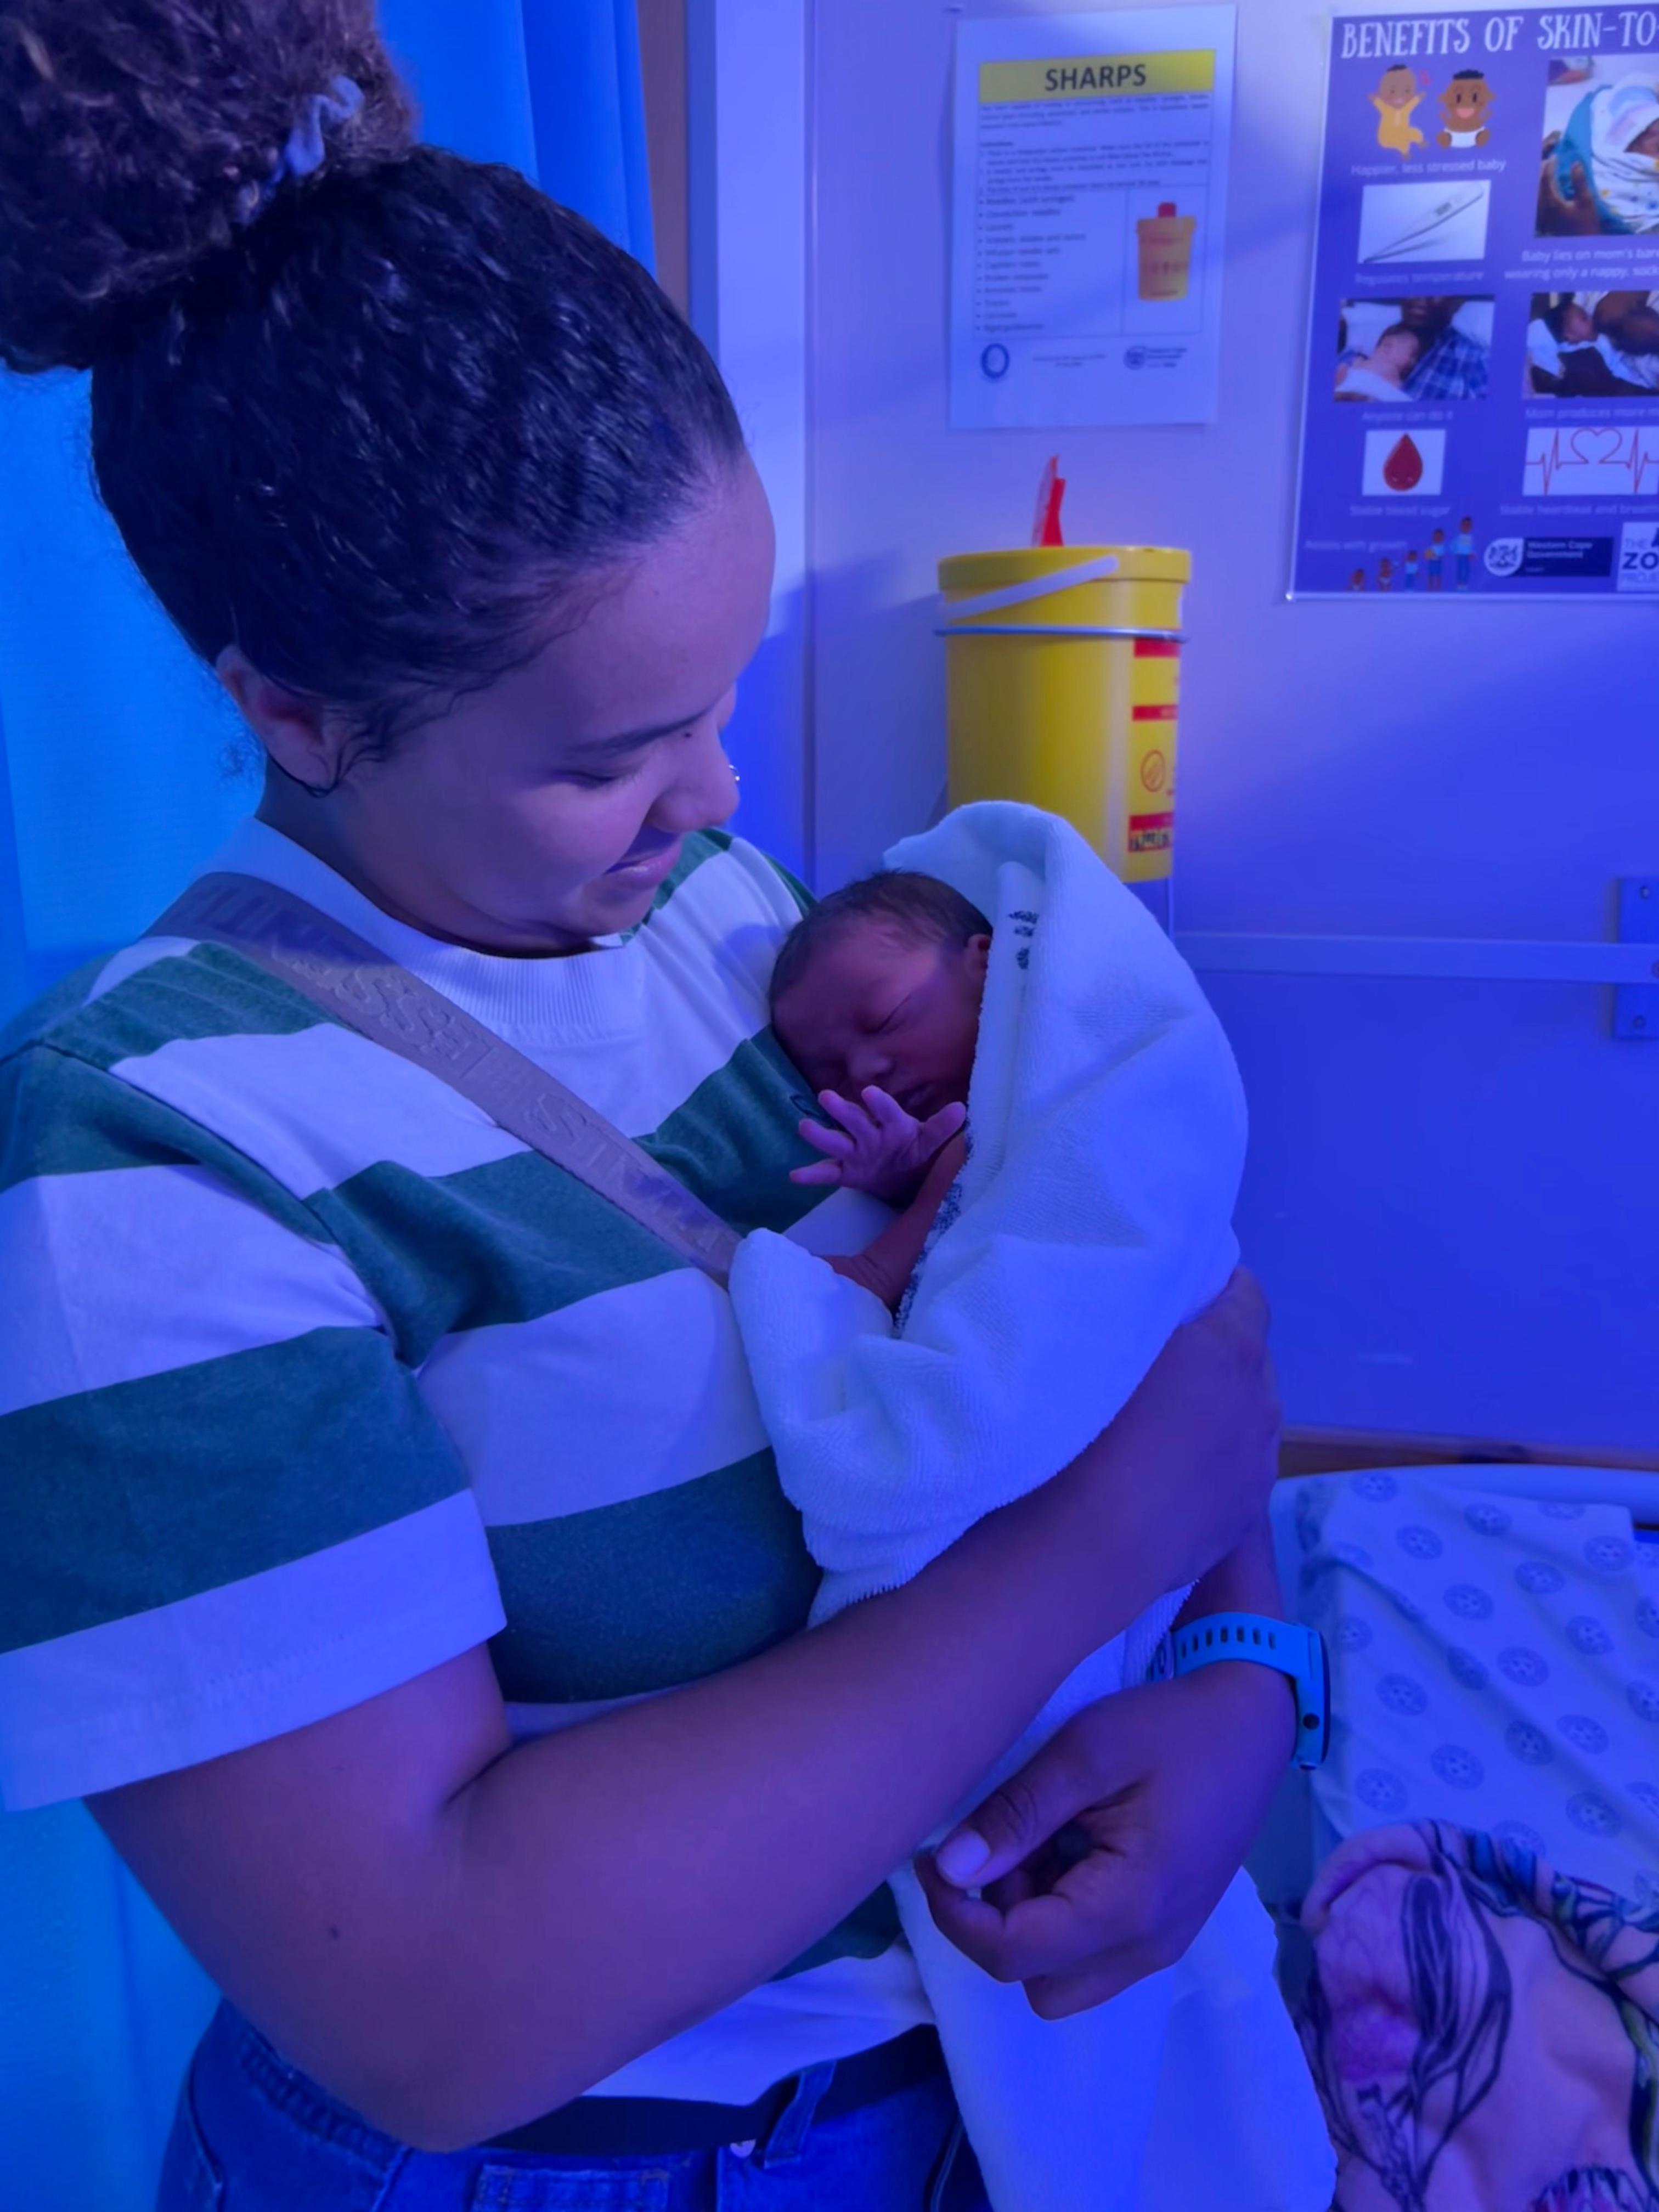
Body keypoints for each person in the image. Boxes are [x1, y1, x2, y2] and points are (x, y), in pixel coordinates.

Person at [0, 4, 1293, 2207]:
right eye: (609, 755)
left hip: (990, 2078)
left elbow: (1104, 1258)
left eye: (726, 699)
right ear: (295, 714)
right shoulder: (149, 1162)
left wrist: (1243, 1674)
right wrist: (1118, 1534)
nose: (708, 801)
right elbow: (433, 2008)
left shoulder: (721, 913)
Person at [1336, 297, 1487, 400]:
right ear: (1387, 347)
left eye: (1437, 288)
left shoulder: (1475, 361)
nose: (1421, 298)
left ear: (1457, 303)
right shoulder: (1354, 356)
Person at [1334, 321, 1421, 402]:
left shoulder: (1400, 382)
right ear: (1388, 346)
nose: (1413, 363)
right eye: (1412, 355)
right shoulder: (1357, 362)